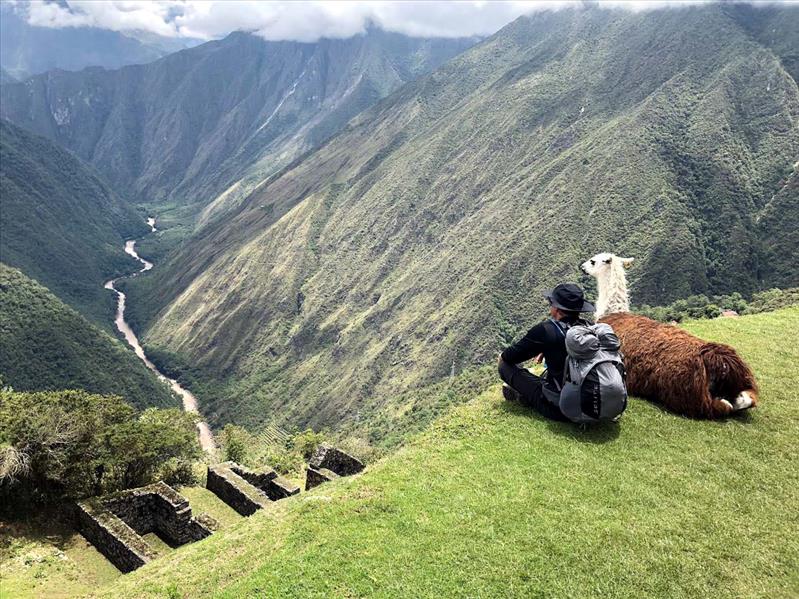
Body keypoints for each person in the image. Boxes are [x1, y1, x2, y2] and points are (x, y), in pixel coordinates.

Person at [498, 283, 595, 421]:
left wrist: (501, 356)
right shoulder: (590, 328)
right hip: (593, 404)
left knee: (504, 365)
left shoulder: (546, 330)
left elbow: (510, 357)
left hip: (561, 409)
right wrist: (545, 349)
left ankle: (526, 397)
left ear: (556, 308)